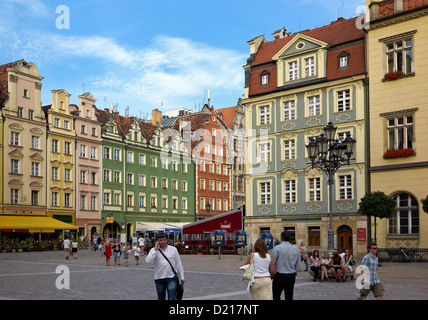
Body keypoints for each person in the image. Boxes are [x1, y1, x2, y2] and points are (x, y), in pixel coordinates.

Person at [145, 232, 185, 300]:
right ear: (157, 241)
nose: (162, 242)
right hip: (159, 277)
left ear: (167, 240)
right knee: (161, 298)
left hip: (171, 277)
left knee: (172, 298)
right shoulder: (153, 250)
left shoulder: (173, 249)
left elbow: (178, 263)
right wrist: (155, 250)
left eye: (164, 240)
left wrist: (182, 276)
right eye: (160, 240)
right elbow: (148, 261)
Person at [271, 231, 301, 300]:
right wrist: (294, 273)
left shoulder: (277, 248)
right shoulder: (296, 249)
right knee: (289, 296)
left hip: (279, 275)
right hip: (291, 275)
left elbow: (273, 263)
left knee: (276, 296)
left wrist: (273, 274)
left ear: (281, 238)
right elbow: (298, 265)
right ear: (289, 238)